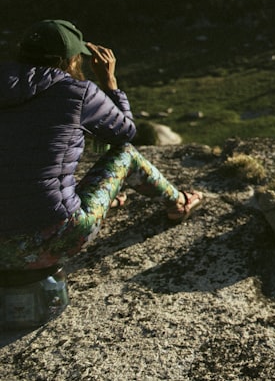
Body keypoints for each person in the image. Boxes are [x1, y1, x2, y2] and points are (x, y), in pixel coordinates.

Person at [0, 19, 202, 270]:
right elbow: (125, 134)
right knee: (125, 155)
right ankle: (179, 203)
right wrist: (110, 85)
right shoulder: (77, 92)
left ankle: (101, 198)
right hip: (54, 240)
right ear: (71, 60)